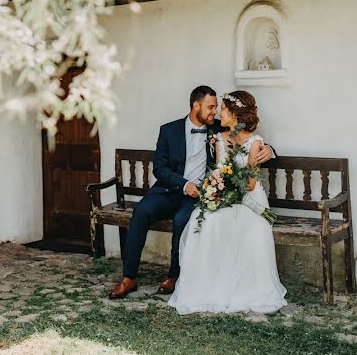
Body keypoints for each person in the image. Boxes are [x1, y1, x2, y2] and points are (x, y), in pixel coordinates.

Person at [108, 86, 275, 299]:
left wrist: (268, 149)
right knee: (141, 212)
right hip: (169, 190)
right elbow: (159, 168)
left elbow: (245, 138)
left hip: (199, 195)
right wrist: (185, 184)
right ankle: (129, 277)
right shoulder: (169, 130)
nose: (214, 112)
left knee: (182, 220)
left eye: (217, 108)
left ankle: (174, 276)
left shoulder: (217, 128)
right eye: (210, 107)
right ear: (196, 106)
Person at [168, 90, 287, 314]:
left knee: (244, 226)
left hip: (249, 199)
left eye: (222, 108)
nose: (218, 113)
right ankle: (207, 287)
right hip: (225, 197)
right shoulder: (218, 138)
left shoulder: (254, 142)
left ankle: (239, 288)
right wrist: (216, 189)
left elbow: (250, 184)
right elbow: (217, 170)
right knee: (203, 222)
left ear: (234, 113)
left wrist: (225, 185)